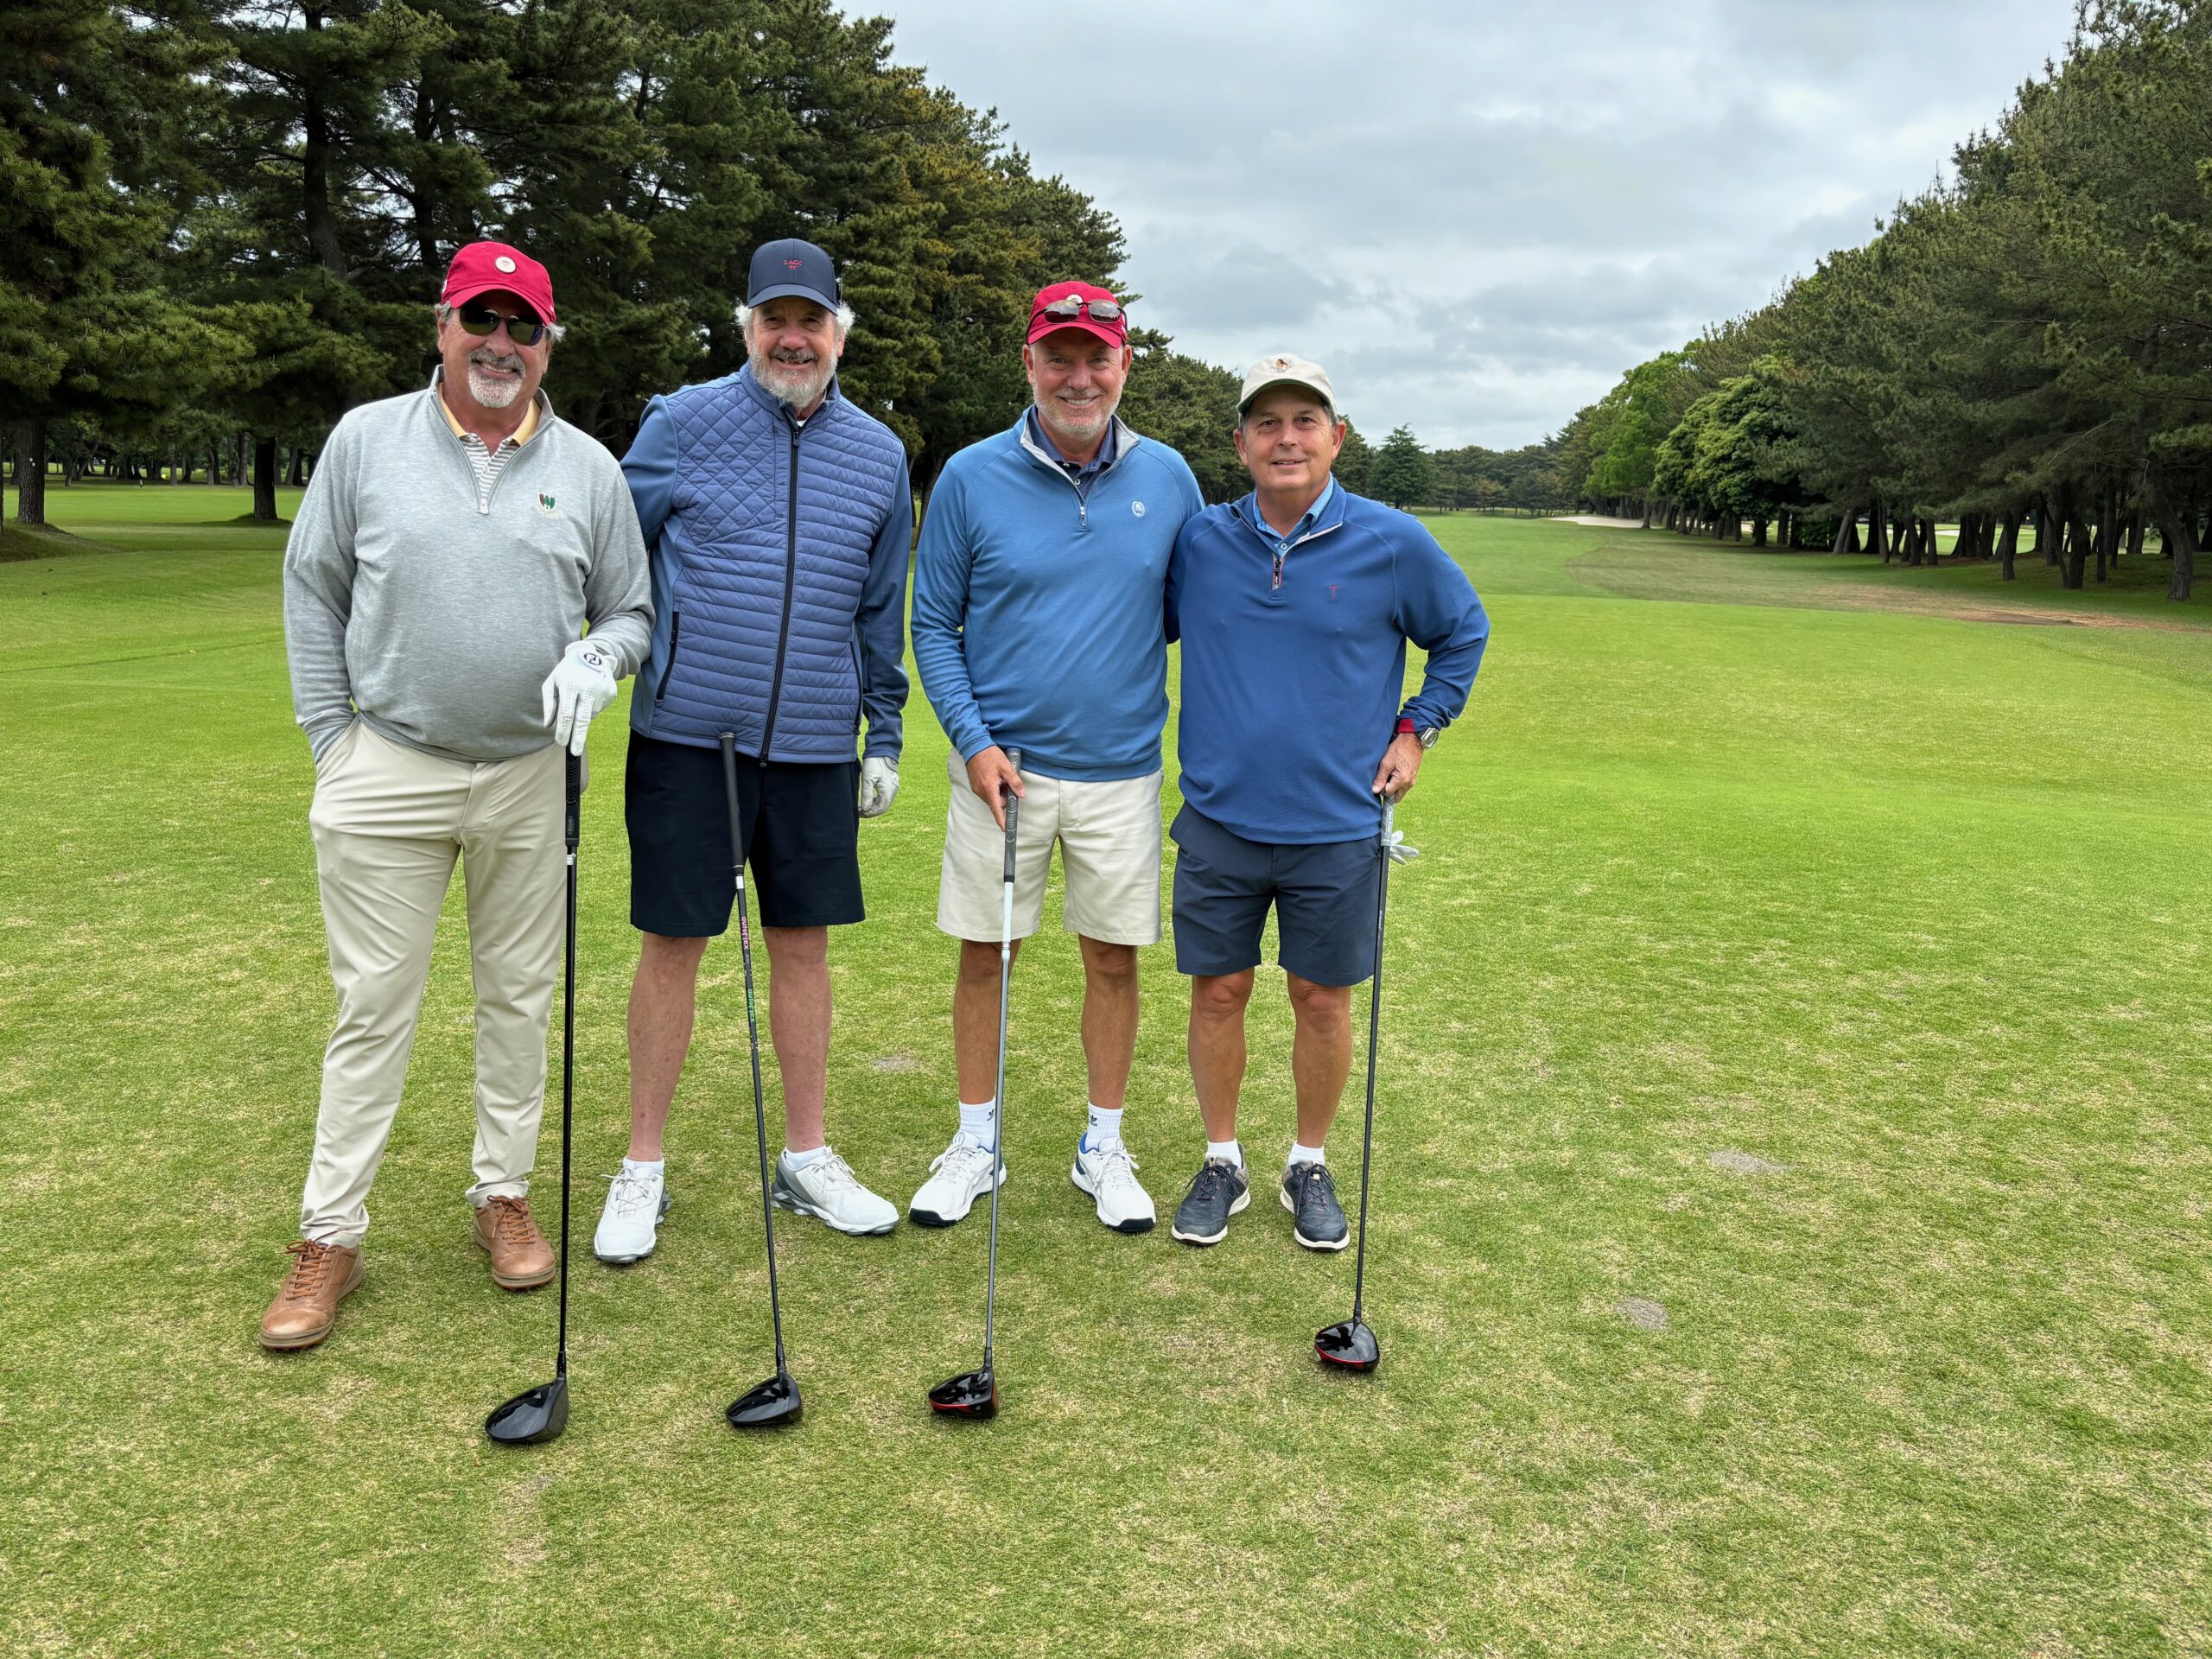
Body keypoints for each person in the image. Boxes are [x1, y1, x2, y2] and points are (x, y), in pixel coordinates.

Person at [264, 241, 652, 1350]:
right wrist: (331, 739)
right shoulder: (365, 440)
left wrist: (600, 658)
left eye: (523, 327)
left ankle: (502, 1194)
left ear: (548, 345)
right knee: (372, 1006)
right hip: (387, 763)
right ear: (442, 326)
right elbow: (313, 588)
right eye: (481, 319)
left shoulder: (588, 467)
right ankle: (330, 1235)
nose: (500, 344)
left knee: (518, 999)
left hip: (530, 774)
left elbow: (631, 608)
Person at [594, 238, 911, 1263]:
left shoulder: (879, 453)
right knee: (672, 945)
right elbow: (614, 557)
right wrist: (601, 653)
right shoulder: (680, 421)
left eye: (810, 321)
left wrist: (884, 733)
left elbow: (879, 611)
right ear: (747, 329)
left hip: (817, 743)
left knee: (803, 948)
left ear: (838, 333)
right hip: (689, 736)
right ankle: (643, 1166)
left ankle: (806, 1156)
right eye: (775, 320)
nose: (793, 338)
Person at [1163, 353, 1488, 1250]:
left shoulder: (1392, 541)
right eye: (1266, 423)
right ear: (1239, 444)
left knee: (1321, 999)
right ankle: (1221, 1159)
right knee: (1218, 992)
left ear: (1336, 437)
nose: (1286, 439)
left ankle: (1307, 1162)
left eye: (1305, 421)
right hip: (1220, 817)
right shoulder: (1199, 541)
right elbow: (1135, 626)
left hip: (1340, 822)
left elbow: (1463, 631)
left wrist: (1416, 728)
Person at [908, 282, 1205, 1235]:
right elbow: (932, 622)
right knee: (985, 956)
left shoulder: (1169, 477)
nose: (1079, 377)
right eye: (1059, 358)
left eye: (1096, 358)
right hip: (1001, 772)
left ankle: (1101, 1146)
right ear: (1029, 363)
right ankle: (976, 1141)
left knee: (1113, 961)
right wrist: (974, 741)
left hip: (1121, 770)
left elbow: (1186, 611)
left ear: (1125, 366)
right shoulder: (969, 475)